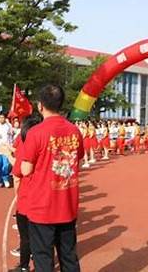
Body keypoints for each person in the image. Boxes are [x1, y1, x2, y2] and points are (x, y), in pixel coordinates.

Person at [20, 84, 84, 272]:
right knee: (69, 256)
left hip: (42, 207)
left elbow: (26, 170)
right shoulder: (74, 131)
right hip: (67, 204)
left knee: (43, 258)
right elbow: (77, 162)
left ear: (40, 106)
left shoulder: (35, 133)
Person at [1, 116, 41, 272]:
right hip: (44, 197)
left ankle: (24, 266)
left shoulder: (28, 145)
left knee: (26, 237)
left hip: (27, 199)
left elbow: (19, 172)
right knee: (42, 237)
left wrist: (7, 154)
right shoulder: (46, 145)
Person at [0, 112, 14, 188]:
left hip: (6, 149)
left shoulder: (8, 125)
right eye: (0, 117)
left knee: (6, 165)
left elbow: (12, 134)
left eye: (2, 117)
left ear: (5, 118)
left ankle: (5, 179)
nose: (1, 119)